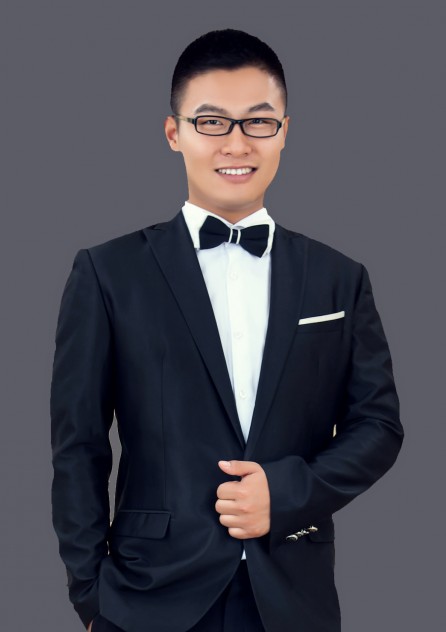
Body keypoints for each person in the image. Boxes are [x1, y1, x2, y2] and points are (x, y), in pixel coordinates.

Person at [50, 28, 404, 632]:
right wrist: (91, 597)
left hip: (294, 597)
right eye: (212, 122)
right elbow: (78, 444)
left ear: (284, 131)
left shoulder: (340, 278)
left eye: (258, 122)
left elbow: (379, 426)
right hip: (147, 596)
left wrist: (287, 493)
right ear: (175, 133)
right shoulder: (107, 272)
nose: (236, 143)